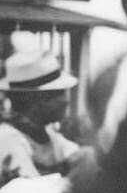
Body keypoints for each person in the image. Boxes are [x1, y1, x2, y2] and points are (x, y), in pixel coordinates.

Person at [0, 47, 83, 178]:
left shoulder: (45, 133)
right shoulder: (8, 138)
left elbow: (79, 156)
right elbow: (32, 187)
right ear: (32, 99)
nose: (65, 100)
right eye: (57, 93)